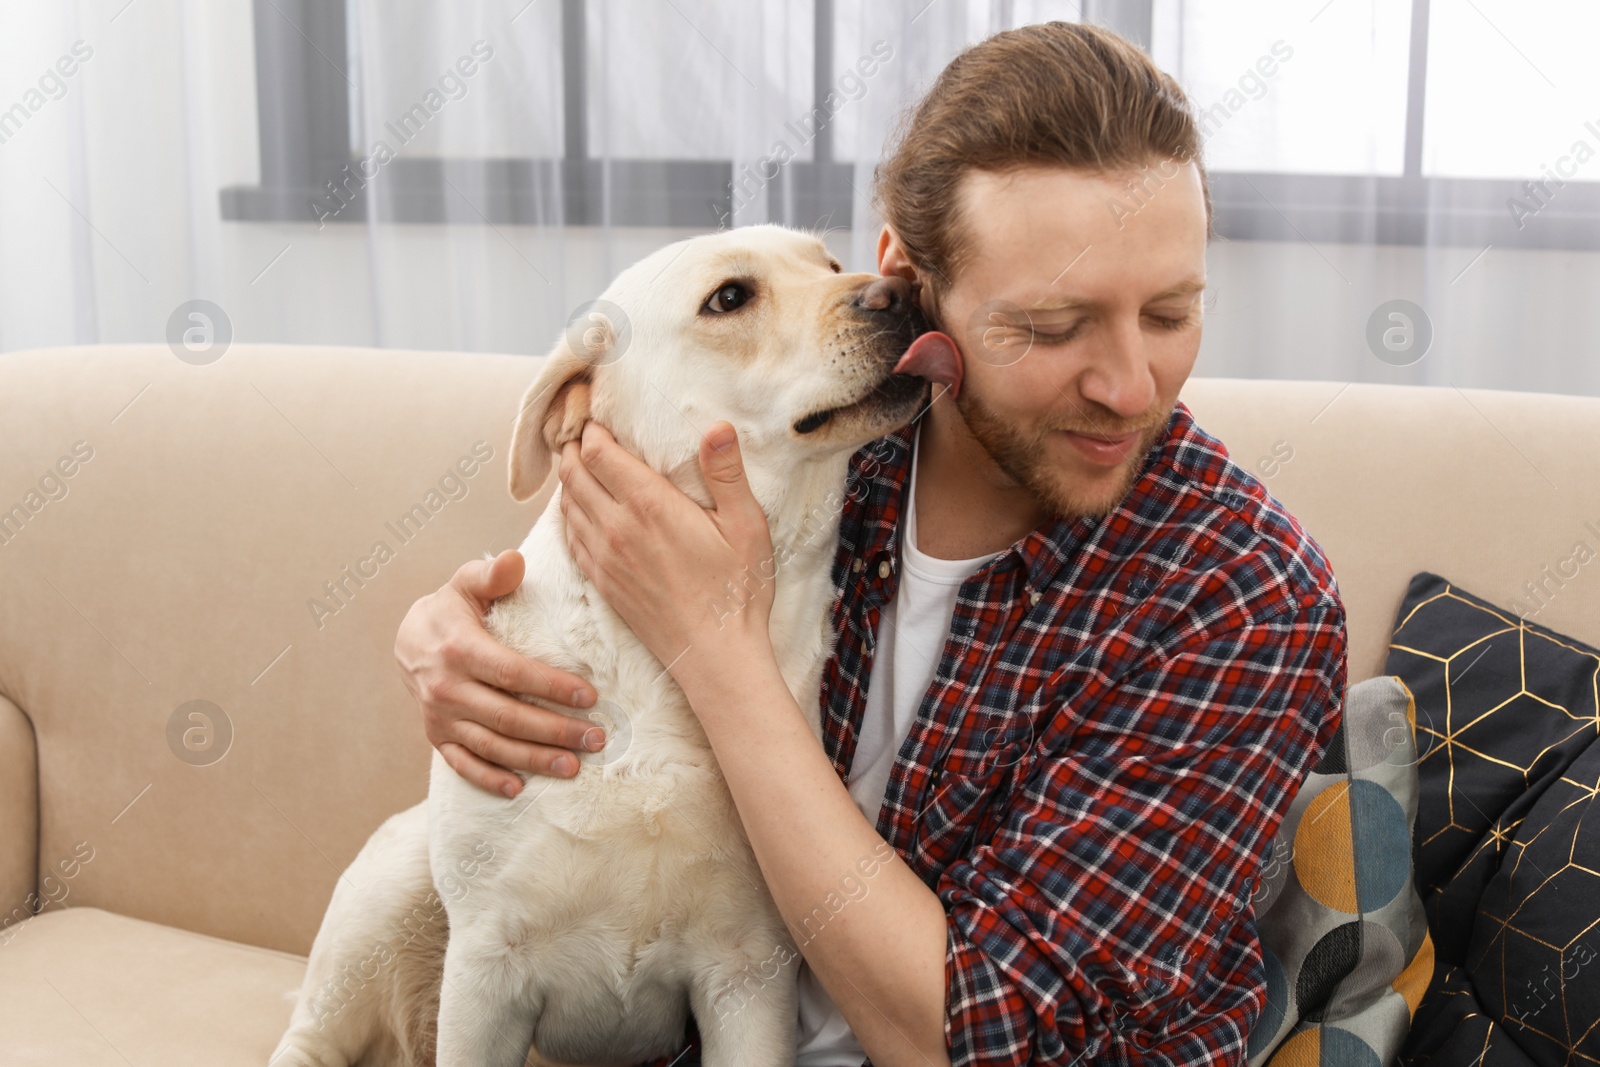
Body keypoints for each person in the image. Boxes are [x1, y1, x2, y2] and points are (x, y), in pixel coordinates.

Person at [394, 20, 1347, 1067]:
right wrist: (454, 639)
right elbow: (574, 588)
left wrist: (718, 652)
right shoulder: (794, 453)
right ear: (906, 278)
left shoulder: (1242, 595)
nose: (1129, 387)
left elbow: (979, 1040)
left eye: (1169, 312)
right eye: (1050, 326)